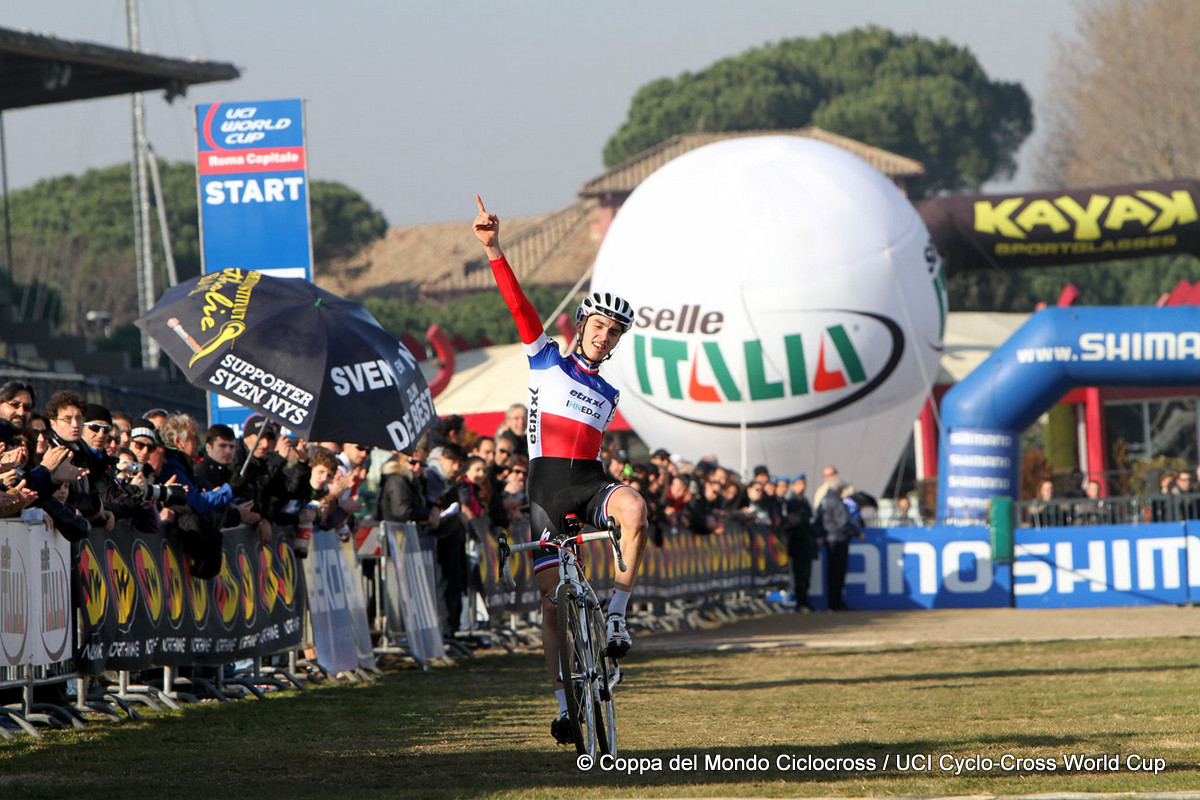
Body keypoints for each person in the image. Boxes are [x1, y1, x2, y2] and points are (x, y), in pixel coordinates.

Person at [474, 194, 648, 746]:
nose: (605, 336)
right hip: (547, 489)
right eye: (599, 326)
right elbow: (520, 308)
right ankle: (563, 705)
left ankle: (617, 613)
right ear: (582, 324)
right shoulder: (546, 358)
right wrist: (495, 248)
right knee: (551, 607)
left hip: (590, 480)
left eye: (614, 332)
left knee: (636, 508)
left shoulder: (610, 389)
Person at [815, 465, 860, 611]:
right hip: (838, 540)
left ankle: (834, 603)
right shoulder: (835, 499)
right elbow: (843, 522)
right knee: (837, 574)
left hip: (831, 539)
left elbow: (819, 519)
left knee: (834, 574)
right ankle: (835, 604)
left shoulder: (826, 498)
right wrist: (856, 532)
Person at [782, 474, 816, 612]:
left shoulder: (805, 501)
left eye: (804, 483)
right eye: (799, 483)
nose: (803, 486)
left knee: (806, 574)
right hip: (798, 543)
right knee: (800, 574)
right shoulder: (792, 502)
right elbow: (794, 522)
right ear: (793, 485)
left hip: (807, 542)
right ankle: (801, 602)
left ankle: (805, 601)